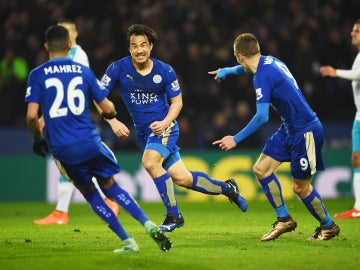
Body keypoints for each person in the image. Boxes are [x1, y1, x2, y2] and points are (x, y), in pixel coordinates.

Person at [25, 25, 172, 253]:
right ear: (69, 45)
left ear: (46, 47)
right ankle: (148, 223)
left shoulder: (37, 74)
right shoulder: (82, 71)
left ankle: (127, 241)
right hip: (91, 141)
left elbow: (32, 116)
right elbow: (107, 105)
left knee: (91, 193)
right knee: (112, 187)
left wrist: (37, 140)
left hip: (64, 147)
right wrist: (112, 116)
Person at [99, 24, 248, 232]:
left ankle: (173, 216)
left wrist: (165, 122)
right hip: (144, 133)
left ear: (150, 46)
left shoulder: (165, 70)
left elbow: (177, 103)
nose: (139, 50)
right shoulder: (117, 69)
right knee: (183, 179)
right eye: (134, 46)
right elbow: (98, 95)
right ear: (129, 49)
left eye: (143, 45)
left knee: (150, 163)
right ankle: (228, 188)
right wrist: (112, 121)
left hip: (165, 127)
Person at [209, 33, 340, 241]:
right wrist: (227, 71)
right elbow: (246, 69)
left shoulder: (261, 76)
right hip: (289, 128)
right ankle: (284, 219)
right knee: (261, 169)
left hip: (306, 131)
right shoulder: (270, 61)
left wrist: (236, 138)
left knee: (300, 188)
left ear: (239, 56)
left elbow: (262, 117)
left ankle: (329, 226)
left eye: (236, 59)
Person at [33, 18, 120, 225]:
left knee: (82, 159)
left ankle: (109, 199)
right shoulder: (64, 56)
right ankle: (61, 212)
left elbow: (79, 86)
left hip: (74, 118)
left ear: (74, 35)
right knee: (67, 163)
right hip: (64, 117)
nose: (61, 34)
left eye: (65, 31)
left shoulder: (78, 54)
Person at [319, 19, 360, 219]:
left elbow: (358, 75)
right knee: (356, 158)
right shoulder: (358, 56)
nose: (352, 33)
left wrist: (336, 72)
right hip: (359, 118)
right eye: (353, 30)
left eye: (357, 31)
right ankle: (359, 207)